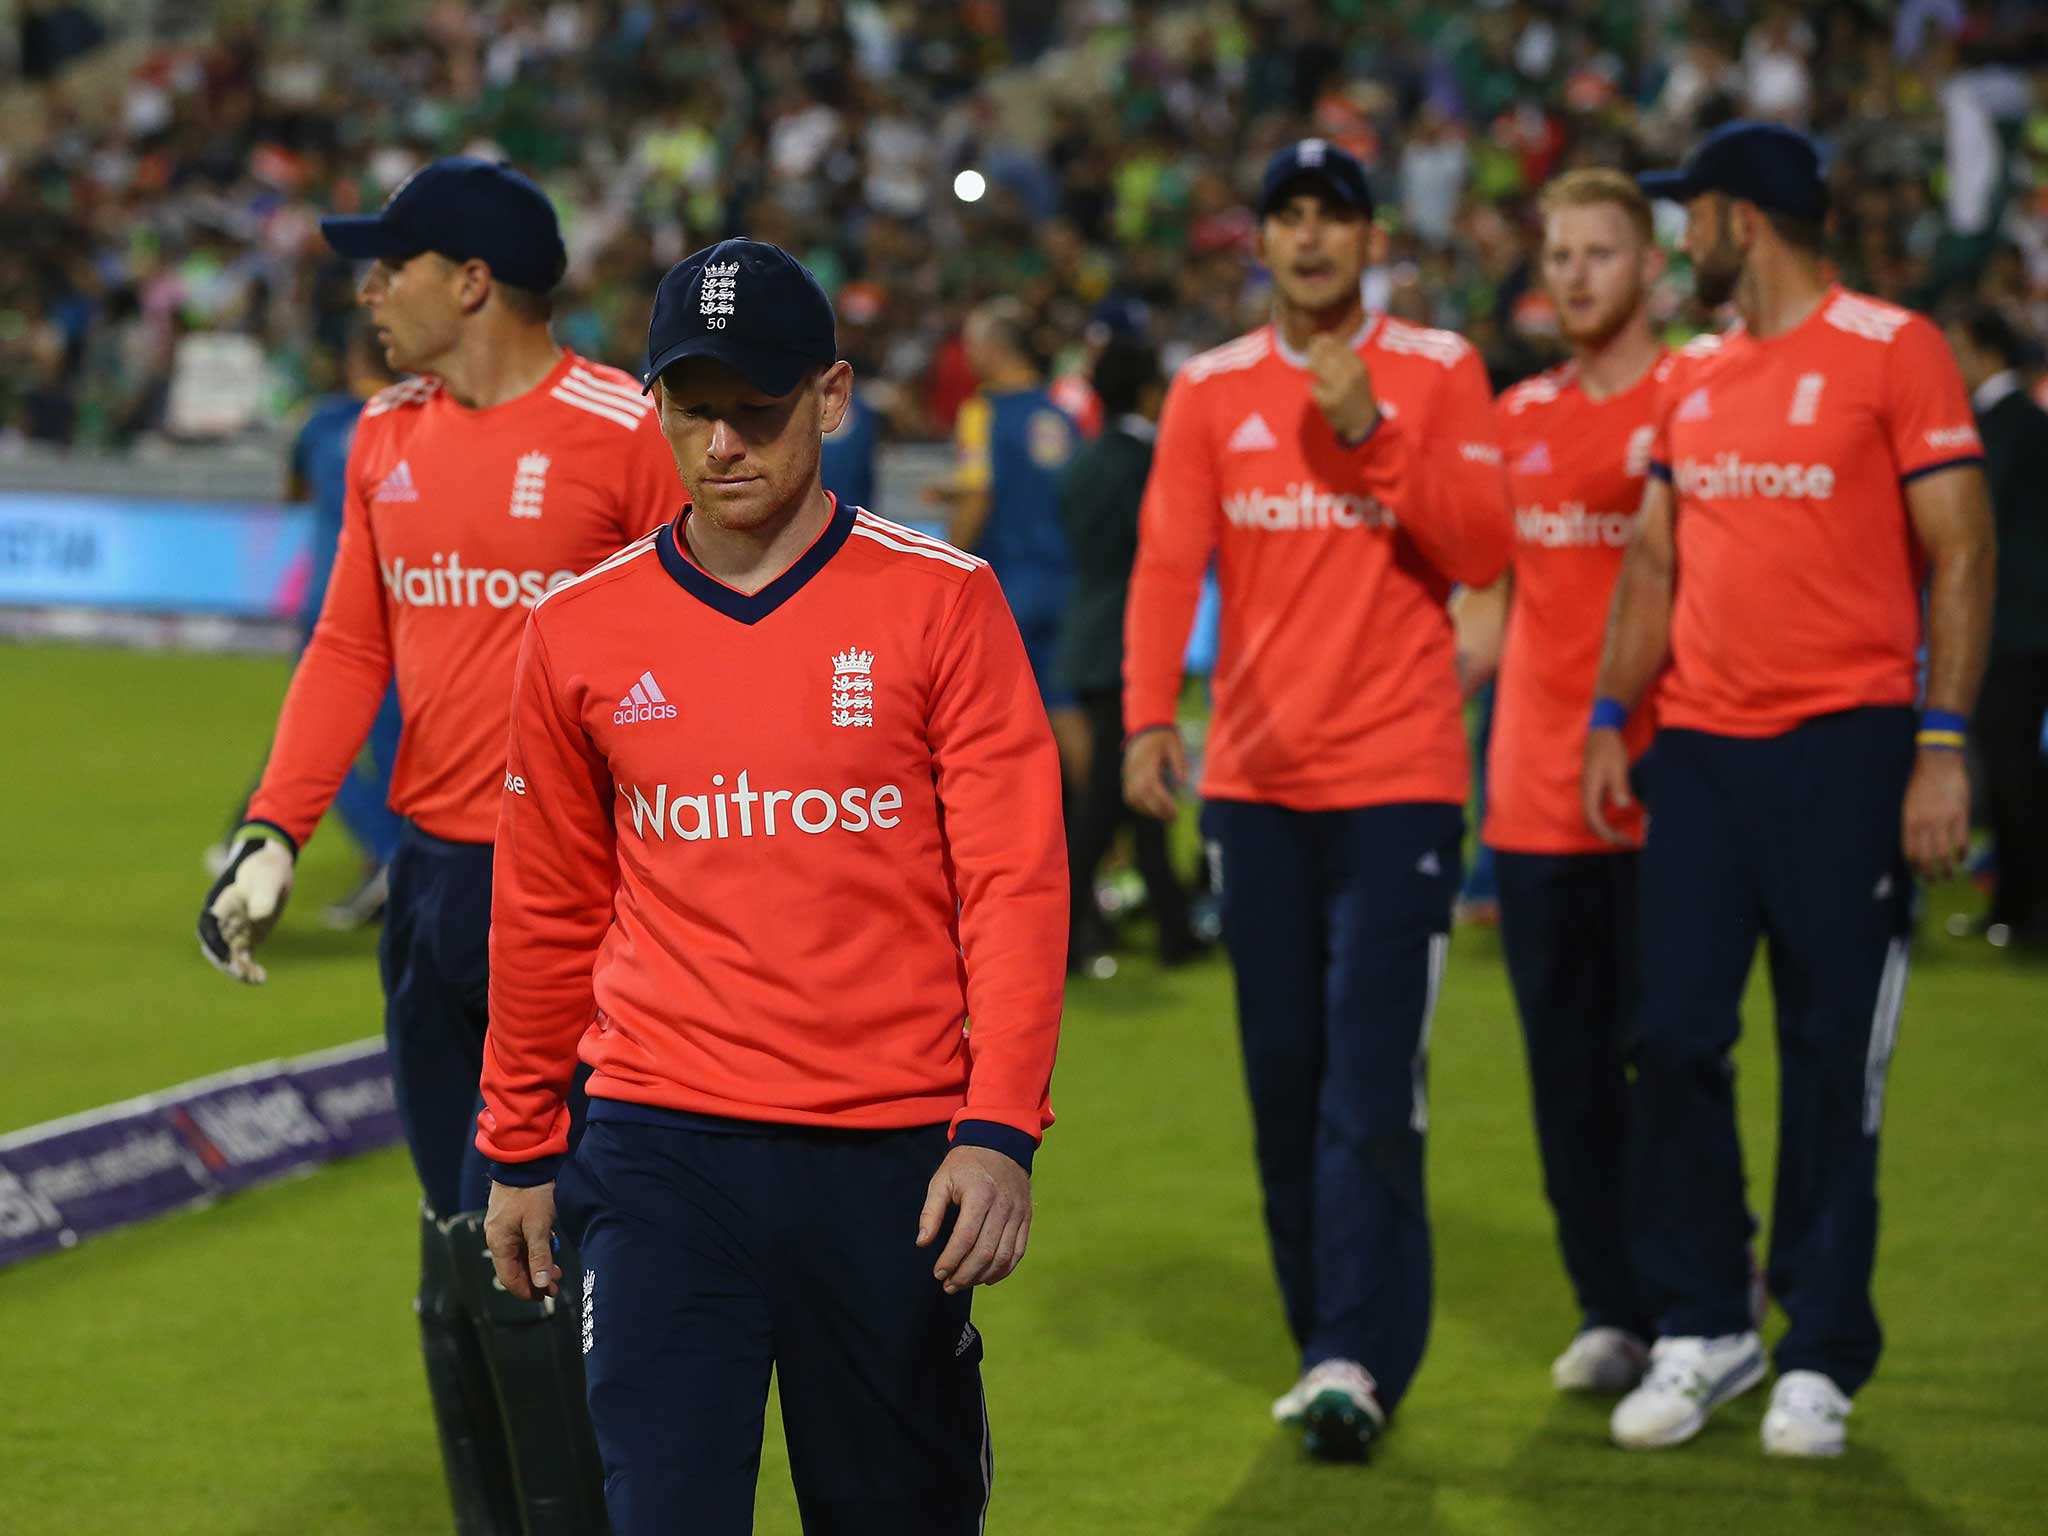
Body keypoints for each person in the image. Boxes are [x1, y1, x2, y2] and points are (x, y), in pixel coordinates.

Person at [476, 238, 1066, 1535]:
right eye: (694, 412)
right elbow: (547, 908)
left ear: (834, 398)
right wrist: (520, 1142)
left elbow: (1014, 885)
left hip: (889, 1162)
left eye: (759, 410)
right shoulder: (580, 627)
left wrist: (1000, 1128)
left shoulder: (943, 604)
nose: (724, 446)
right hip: (658, 1150)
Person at [196, 156, 680, 1533]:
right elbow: (349, 643)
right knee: (464, 1245)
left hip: (580, 905)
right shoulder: (382, 436)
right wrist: (274, 829)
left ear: (472, 282)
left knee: (528, 1249)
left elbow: (698, 648)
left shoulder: (623, 431)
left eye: (389, 265)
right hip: (431, 889)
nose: (367, 290)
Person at [1587, 122, 1994, 1458]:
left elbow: (1962, 553)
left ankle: (1822, 1340)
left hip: (1849, 750)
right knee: (1675, 1040)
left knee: (1833, 1060)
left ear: (1738, 221)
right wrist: (1607, 715)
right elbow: (1651, 562)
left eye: (1688, 217)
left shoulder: (1894, 349)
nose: (1680, 242)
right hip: (1699, 755)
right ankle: (1710, 1322)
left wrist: (1942, 744)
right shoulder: (1693, 379)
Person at [1123, 138, 1512, 1459]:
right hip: (1255, 786)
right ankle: (1327, 1341)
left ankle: (1354, 1349)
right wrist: (1141, 721)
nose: (1308, 238)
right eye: (1286, 214)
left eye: (1331, 216)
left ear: (1367, 238)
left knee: (1366, 1089)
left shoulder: (1441, 369)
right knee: (1283, 1084)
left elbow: (1480, 546)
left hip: (1398, 784)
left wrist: (1368, 432)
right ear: (1262, 239)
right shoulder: (1208, 388)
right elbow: (1169, 564)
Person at [1456, 167, 1667, 1397]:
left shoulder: (1690, 399)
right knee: (1567, 1073)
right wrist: (1410, 702)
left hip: (1666, 782)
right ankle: (1610, 1305)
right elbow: (1486, 605)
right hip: (1531, 798)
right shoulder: (1512, 414)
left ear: (1650, 267)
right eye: (1560, 252)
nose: (1575, 271)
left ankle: (1701, 1290)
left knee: (1675, 1057)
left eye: (1599, 250)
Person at [209, 322, 404, 929]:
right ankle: (400, 858)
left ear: (351, 358)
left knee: (324, 739)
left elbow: (292, 492)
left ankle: (388, 854)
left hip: (332, 605)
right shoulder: (420, 422)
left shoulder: (320, 424)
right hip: (412, 598)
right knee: (399, 743)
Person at [1057, 334, 1199, 975]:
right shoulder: (1153, 463)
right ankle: (1063, 927)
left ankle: (1171, 924)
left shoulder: (1080, 465)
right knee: (1110, 799)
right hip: (1129, 638)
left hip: (1084, 634)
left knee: (1134, 792)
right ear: (1149, 392)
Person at [928, 298, 1085, 771]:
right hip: (1067, 580)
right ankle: (1105, 835)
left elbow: (980, 494)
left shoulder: (982, 412)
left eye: (973, 345)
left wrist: (945, 565)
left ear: (996, 349)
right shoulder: (1064, 413)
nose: (967, 356)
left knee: (999, 719)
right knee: (1066, 709)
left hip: (1010, 583)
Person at [1942, 300, 2048, 950]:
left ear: (1985, 349)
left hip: (2018, 627)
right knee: (2009, 768)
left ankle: (2029, 911)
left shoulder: (2010, 424)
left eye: (1954, 343)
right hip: (2012, 622)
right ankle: (2011, 905)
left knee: (2013, 771)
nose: (1948, 360)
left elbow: (1984, 528)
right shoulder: (2015, 422)